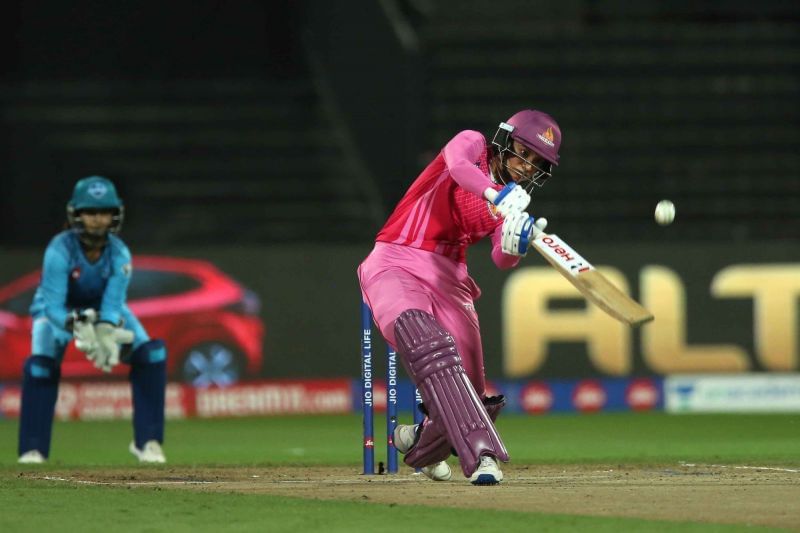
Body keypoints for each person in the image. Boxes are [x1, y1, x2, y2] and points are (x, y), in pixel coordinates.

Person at [357, 109, 561, 485]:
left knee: (473, 392)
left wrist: (516, 241)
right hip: (396, 258)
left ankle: (419, 444)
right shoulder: (473, 144)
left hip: (452, 277)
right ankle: (483, 455)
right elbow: (456, 167)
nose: (525, 166)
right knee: (427, 340)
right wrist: (496, 195)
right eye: (523, 152)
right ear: (504, 141)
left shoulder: (511, 205)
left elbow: (501, 259)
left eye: (537, 163)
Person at [17, 176, 168, 464]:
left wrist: (106, 332)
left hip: (102, 310)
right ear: (77, 213)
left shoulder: (120, 253)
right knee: (40, 367)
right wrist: (75, 327)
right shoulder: (59, 250)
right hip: (58, 313)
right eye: (90, 212)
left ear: (115, 214)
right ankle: (33, 449)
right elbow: (53, 305)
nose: (98, 220)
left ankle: (147, 442)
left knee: (152, 354)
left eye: (104, 212)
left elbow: (113, 305)